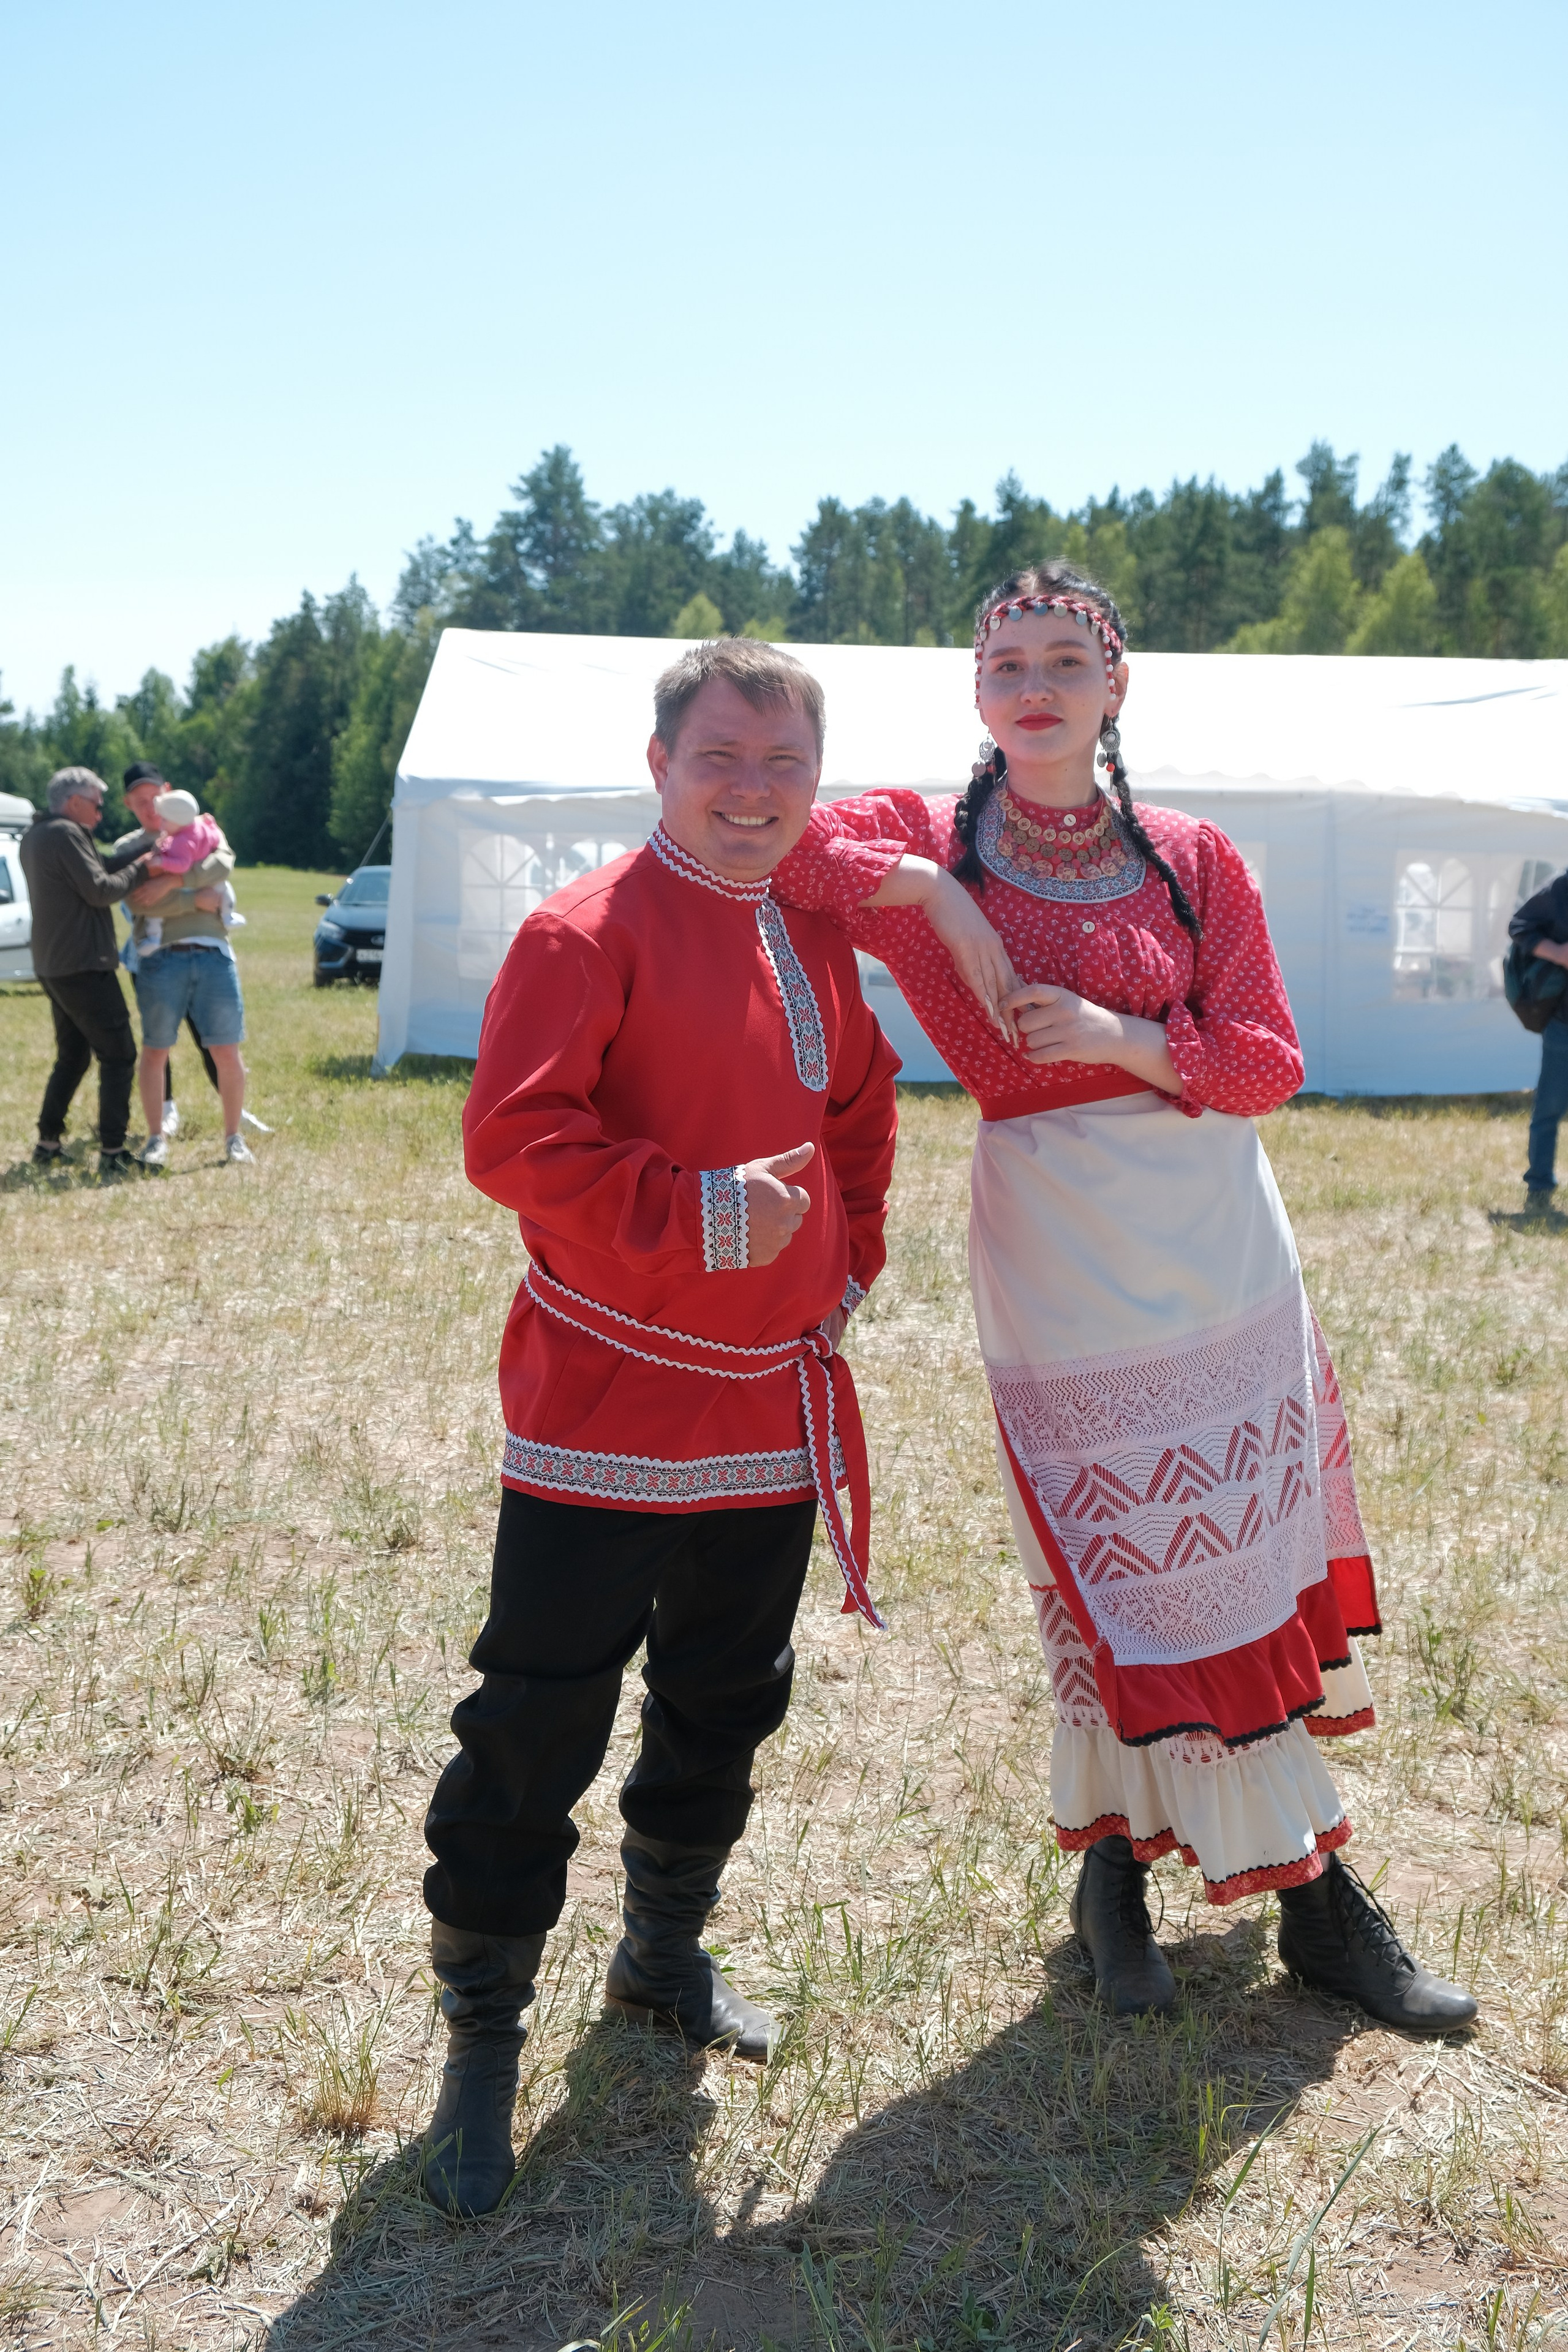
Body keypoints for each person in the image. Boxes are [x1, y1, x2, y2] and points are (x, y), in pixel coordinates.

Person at [770, 562, 1477, 2036]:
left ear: (1115, 685)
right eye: (1004, 664)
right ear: (975, 693)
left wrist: (1117, 1033)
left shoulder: (1191, 855)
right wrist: (929, 895)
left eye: (1062, 661)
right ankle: (1188, 1883)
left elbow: (1265, 1060)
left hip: (1216, 1230)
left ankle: (1223, 1891)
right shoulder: (926, 839)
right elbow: (785, 851)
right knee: (1122, 1565)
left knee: (1240, 1558)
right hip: (1056, 1237)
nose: (1031, 686)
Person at [418, 638, 900, 2217]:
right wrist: (694, 1209)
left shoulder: (814, 936)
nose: (752, 791)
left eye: (782, 765)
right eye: (720, 758)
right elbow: (514, 1138)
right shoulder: (582, 931)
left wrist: (845, 1259)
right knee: (538, 1713)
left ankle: (659, 1955)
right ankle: (482, 2032)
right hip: (607, 1394)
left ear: (813, 782)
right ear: (659, 766)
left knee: (723, 1695)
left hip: (767, 1399)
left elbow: (858, 1110)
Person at [111, 764, 254, 1167]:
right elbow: (138, 901)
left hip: (214, 952)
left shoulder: (202, 827)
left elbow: (223, 864)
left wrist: (173, 882)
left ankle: (234, 1138)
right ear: (128, 804)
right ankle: (156, 1138)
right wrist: (196, 899)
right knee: (156, 1048)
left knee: (226, 1048)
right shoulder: (129, 847)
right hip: (160, 958)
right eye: (140, 802)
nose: (149, 808)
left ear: (168, 794)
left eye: (154, 798)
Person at [18, 768, 158, 1175]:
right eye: (96, 805)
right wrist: (145, 868)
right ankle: (113, 1152)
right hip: (83, 964)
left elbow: (103, 865)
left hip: (54, 963)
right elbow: (101, 890)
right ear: (75, 802)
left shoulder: (39, 834)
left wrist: (146, 849)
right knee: (119, 1054)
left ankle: (48, 1143)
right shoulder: (66, 834)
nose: (100, 814)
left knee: (74, 1056)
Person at [1508, 864, 1568, 1214]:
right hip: (1564, 1022)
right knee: (1549, 1107)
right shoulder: (1562, 887)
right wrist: (1559, 953)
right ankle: (1539, 1187)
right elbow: (1519, 926)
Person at [136, 788, 243, 954]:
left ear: (178, 821)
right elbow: (215, 837)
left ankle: (154, 938)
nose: (161, 824)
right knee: (224, 887)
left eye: (165, 820)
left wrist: (161, 861)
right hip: (204, 879)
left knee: (155, 912)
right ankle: (228, 915)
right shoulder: (198, 826)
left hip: (184, 884)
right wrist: (211, 823)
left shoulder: (181, 842)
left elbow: (183, 865)